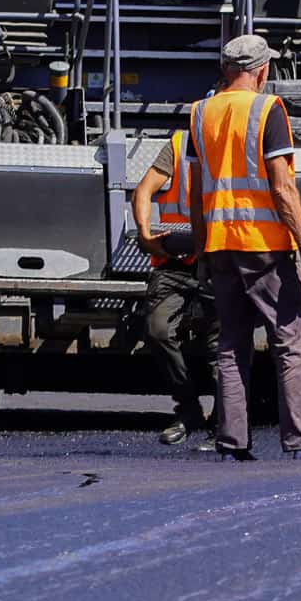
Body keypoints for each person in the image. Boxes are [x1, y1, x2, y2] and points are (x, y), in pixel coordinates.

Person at [188, 33, 301, 460]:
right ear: (262, 71)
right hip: (265, 247)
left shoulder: (200, 112)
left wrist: (201, 250)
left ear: (226, 70)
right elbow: (282, 187)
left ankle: (232, 443)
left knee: (231, 345)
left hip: (221, 245)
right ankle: (300, 442)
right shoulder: (267, 109)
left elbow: (195, 192)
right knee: (289, 344)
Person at [130, 118, 217, 446]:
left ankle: (224, 423)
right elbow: (144, 189)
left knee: (221, 345)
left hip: (219, 257)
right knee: (157, 330)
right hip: (176, 261)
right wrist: (145, 233)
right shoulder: (181, 144)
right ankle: (189, 410)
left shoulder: (238, 145)